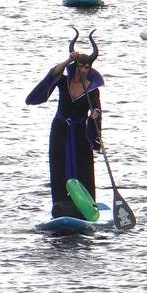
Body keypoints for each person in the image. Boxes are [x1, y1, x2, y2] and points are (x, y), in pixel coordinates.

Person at [25, 32, 103, 217]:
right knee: (59, 164)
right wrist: (68, 60)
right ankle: (60, 204)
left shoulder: (93, 88)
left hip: (79, 131)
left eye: (87, 67)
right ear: (76, 67)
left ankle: (86, 206)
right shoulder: (64, 80)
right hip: (60, 128)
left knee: (83, 165)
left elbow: (98, 109)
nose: (84, 70)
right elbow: (52, 75)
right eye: (81, 66)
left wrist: (95, 115)